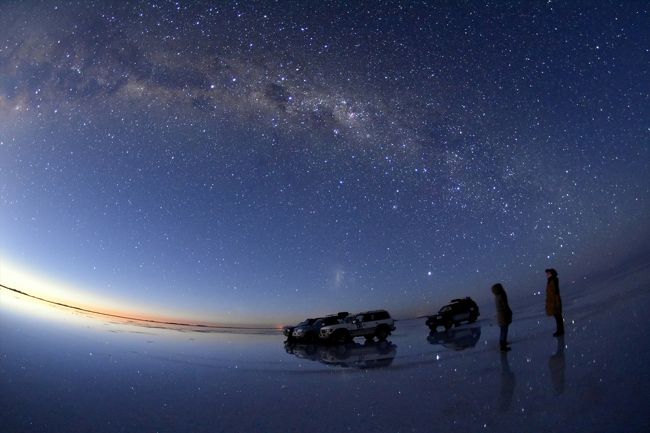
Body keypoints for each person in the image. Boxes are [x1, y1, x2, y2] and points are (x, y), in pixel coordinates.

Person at [491, 283, 513, 352]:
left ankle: (503, 343)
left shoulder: (497, 296)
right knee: (504, 330)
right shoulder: (501, 295)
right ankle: (503, 346)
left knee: (503, 330)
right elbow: (505, 305)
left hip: (500, 315)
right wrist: (509, 311)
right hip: (503, 315)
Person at [545, 268, 564, 337]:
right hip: (552, 302)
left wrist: (556, 302)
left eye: (548, 273)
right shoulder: (550, 281)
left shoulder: (554, 280)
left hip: (555, 301)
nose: (547, 275)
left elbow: (556, 292)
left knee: (558, 316)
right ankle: (559, 330)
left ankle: (560, 331)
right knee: (557, 316)